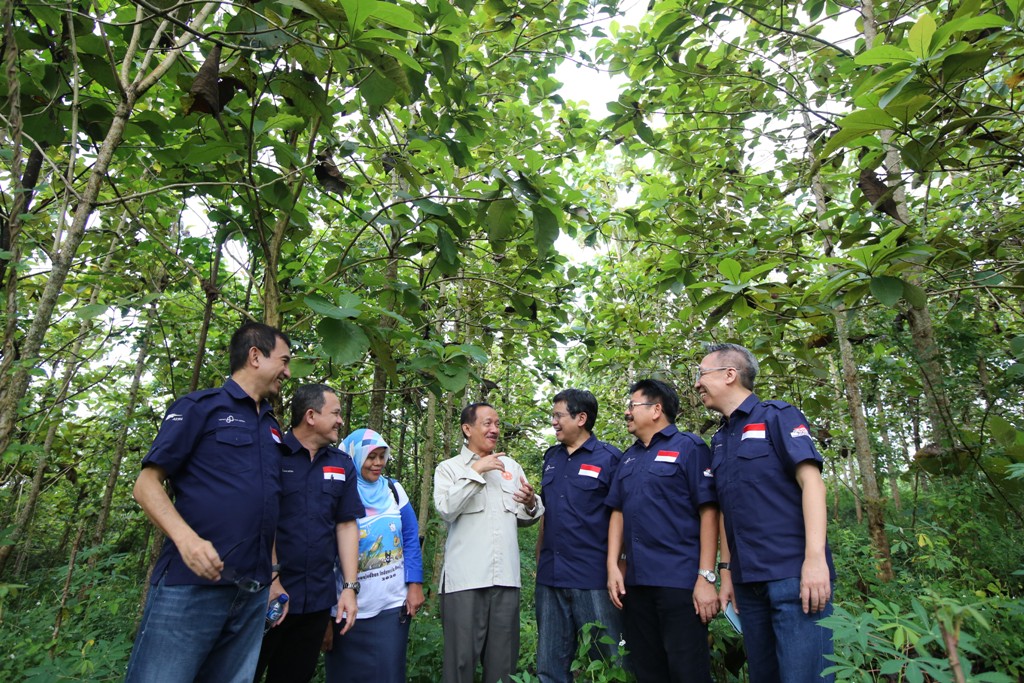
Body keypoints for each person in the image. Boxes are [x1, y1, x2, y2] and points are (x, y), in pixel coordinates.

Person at [125, 322, 292, 683]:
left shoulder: (272, 428)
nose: (288, 372)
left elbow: (267, 505)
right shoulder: (200, 407)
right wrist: (187, 541)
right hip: (191, 587)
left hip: (252, 592)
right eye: (284, 360)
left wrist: (273, 576)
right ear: (255, 356)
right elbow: (146, 485)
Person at [696, 343, 835, 683]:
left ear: (730, 375)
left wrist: (815, 559)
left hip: (793, 575)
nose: (697, 384)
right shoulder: (720, 439)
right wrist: (726, 573)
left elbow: (812, 484)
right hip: (748, 584)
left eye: (702, 374)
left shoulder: (777, 415)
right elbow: (728, 510)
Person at [605, 379, 718, 683]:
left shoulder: (689, 447)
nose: (627, 412)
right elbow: (617, 511)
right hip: (637, 584)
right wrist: (613, 566)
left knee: (687, 670)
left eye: (633, 405)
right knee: (647, 669)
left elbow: (709, 511)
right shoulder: (628, 457)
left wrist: (706, 576)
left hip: (678, 582)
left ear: (656, 410)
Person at [253, 384, 364, 683]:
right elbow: (261, 518)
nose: (341, 420)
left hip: (315, 601)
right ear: (311, 416)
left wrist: (349, 587)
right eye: (336, 413)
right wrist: (273, 579)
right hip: (266, 598)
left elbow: (346, 525)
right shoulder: (272, 455)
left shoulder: (342, 464)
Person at [434, 402, 544, 683]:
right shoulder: (449, 469)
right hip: (465, 582)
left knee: (504, 667)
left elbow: (527, 514)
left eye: (497, 423)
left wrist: (532, 503)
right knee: (460, 665)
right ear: (467, 429)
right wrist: (476, 472)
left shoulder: (511, 466)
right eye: (487, 423)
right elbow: (446, 508)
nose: (495, 429)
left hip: (506, 580)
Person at [536, 389, 626, 683]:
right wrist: (539, 559)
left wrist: (620, 565)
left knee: (609, 661)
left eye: (559, 415)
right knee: (550, 666)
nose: (554, 422)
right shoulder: (551, 457)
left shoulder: (611, 459)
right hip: (550, 577)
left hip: (593, 579)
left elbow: (622, 515)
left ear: (581, 418)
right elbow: (546, 514)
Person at [323, 427, 425, 683]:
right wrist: (323, 613)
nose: (378, 463)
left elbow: (411, 537)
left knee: (389, 675)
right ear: (355, 457)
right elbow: (323, 553)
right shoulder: (338, 494)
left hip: (391, 607)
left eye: (382, 456)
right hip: (348, 609)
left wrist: (415, 584)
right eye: (371, 457)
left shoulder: (393, 490)